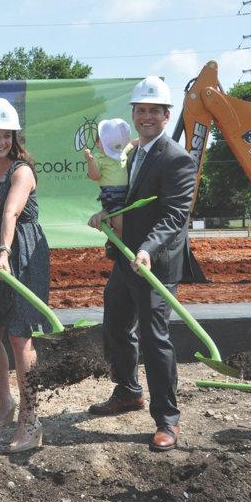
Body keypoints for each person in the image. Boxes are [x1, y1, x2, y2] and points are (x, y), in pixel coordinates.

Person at [87, 76, 197, 452]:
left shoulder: (177, 158)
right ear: (133, 115)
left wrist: (148, 249)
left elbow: (173, 215)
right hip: (125, 255)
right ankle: (129, 390)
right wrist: (106, 213)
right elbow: (128, 201)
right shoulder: (133, 152)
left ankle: (167, 419)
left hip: (155, 263)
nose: (147, 116)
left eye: (155, 111)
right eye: (141, 110)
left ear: (167, 116)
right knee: (116, 324)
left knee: (155, 339)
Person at [0, 98, 51, 453]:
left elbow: (11, 215)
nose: (0, 141)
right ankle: (5, 402)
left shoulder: (22, 171)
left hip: (22, 251)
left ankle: (31, 422)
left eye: (6, 135)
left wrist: (4, 253)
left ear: (14, 138)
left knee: (20, 336)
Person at [83, 118, 132, 240]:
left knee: (126, 223)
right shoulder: (98, 158)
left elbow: (132, 144)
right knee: (119, 225)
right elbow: (95, 176)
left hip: (127, 194)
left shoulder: (123, 152)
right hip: (112, 196)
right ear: (97, 143)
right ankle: (116, 245)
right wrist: (89, 161)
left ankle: (118, 241)